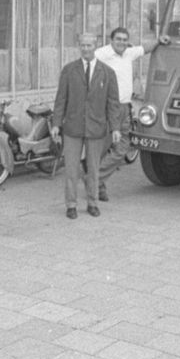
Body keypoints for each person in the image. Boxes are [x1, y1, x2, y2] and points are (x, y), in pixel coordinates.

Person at [51, 33, 122, 219]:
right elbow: (61, 100)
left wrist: (115, 128)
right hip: (73, 127)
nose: (86, 48)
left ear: (95, 46)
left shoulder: (107, 73)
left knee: (93, 168)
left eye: (89, 45)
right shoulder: (69, 70)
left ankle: (92, 202)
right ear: (79, 46)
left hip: (96, 128)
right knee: (71, 168)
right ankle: (71, 205)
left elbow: (112, 103)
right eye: (82, 45)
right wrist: (56, 124)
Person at [94, 26, 165, 200]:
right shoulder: (101, 54)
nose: (122, 43)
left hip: (125, 107)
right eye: (118, 39)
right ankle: (98, 185)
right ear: (111, 40)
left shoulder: (128, 53)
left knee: (123, 147)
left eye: (125, 40)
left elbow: (145, 49)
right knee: (104, 148)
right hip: (108, 107)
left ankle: (95, 180)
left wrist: (159, 41)